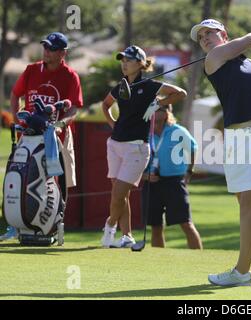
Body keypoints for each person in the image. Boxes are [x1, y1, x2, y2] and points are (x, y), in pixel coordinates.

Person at [190, 19, 251, 286]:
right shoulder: (214, 58)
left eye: (210, 33)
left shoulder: (246, 62)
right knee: (245, 202)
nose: (206, 38)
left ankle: (242, 272)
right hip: (237, 135)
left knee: (248, 204)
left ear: (224, 34)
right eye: (201, 37)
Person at [101, 45, 187, 248]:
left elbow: (181, 93)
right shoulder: (121, 86)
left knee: (118, 195)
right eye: (122, 60)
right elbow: (105, 105)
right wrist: (114, 124)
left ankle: (109, 227)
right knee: (121, 195)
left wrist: (158, 103)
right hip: (115, 144)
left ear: (140, 63)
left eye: (129, 60)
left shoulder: (150, 86)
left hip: (136, 148)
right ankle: (127, 235)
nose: (124, 64)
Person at [0, 32, 83, 241]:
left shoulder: (70, 75)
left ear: (63, 53)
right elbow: (15, 94)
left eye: (52, 48)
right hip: (28, 137)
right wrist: (17, 121)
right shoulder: (31, 70)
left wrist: (61, 124)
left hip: (57, 137)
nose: (47, 51)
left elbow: (74, 109)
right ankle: (16, 223)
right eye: (45, 47)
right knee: (22, 176)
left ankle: (55, 224)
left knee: (58, 181)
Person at [141, 104, 202, 249]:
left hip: (174, 182)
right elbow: (134, 158)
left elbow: (193, 149)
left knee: (186, 223)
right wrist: (144, 175)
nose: (159, 111)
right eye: (156, 108)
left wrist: (189, 171)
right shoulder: (145, 132)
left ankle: (199, 259)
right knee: (156, 227)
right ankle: (160, 263)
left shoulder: (178, 131)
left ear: (168, 112)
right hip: (152, 183)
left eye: (162, 108)